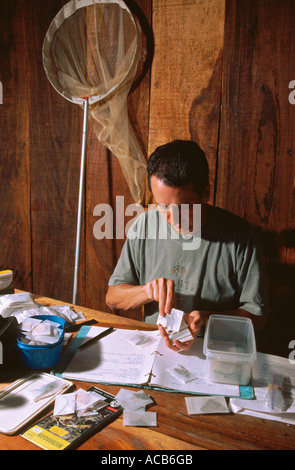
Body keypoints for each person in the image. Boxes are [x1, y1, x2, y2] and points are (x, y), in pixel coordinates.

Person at [106, 140, 269, 352]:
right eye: (162, 206)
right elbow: (113, 298)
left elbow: (258, 317)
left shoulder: (240, 235)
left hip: (214, 352)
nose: (173, 219)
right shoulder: (144, 225)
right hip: (155, 351)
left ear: (206, 193)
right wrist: (147, 291)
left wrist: (206, 319)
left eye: (184, 207)